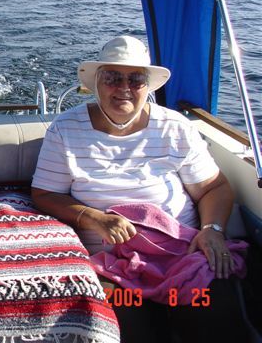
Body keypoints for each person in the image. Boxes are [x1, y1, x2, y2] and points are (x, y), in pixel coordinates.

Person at [31, 35, 249, 342]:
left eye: (136, 79)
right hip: (111, 267)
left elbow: (215, 188)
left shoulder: (175, 127)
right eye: (113, 78)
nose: (124, 88)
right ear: (96, 82)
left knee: (212, 311)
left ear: (148, 86)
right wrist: (94, 218)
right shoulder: (65, 130)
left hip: (181, 254)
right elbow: (44, 194)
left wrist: (212, 229)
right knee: (122, 324)